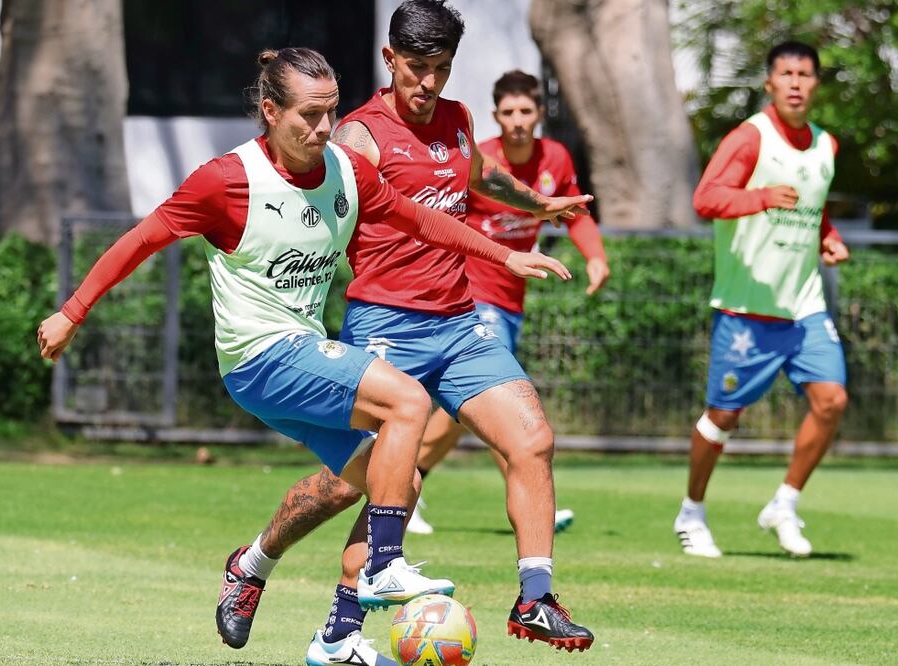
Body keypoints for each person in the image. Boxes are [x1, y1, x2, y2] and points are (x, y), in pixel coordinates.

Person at [35, 47, 571, 666]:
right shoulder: (226, 180)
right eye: (309, 116)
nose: (323, 129)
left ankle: (294, 600)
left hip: (305, 352)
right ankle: (385, 567)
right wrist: (72, 310)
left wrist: (504, 256)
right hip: (259, 357)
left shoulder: (345, 170)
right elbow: (142, 238)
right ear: (270, 111)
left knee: (394, 478)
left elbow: (419, 220)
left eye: (331, 113)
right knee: (408, 401)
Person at [229, 0, 597, 653]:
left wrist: (540, 203)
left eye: (442, 69)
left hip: (459, 324)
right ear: (389, 59)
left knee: (532, 440)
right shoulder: (361, 136)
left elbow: (483, 180)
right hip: (384, 325)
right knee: (360, 481)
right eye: (417, 67)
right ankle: (255, 563)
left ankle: (534, 600)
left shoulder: (458, 121)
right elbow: (305, 188)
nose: (428, 84)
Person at [406, 69, 610, 537]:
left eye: (526, 111)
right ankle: (403, 486)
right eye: (509, 112)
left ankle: (415, 485)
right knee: (482, 397)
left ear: (539, 114)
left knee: (478, 405)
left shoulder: (554, 158)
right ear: (497, 116)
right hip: (472, 294)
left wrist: (596, 258)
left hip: (512, 300)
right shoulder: (483, 160)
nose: (518, 120)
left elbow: (572, 214)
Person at [673, 41, 851, 559]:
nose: (796, 82)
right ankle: (692, 511)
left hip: (804, 306)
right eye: (786, 74)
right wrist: (759, 198)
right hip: (747, 309)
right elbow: (706, 198)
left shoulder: (826, 145)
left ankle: (785, 503)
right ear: (770, 83)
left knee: (832, 400)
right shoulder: (752, 136)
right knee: (723, 417)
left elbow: (813, 210)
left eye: (805, 74)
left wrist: (828, 238)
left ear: (816, 84)